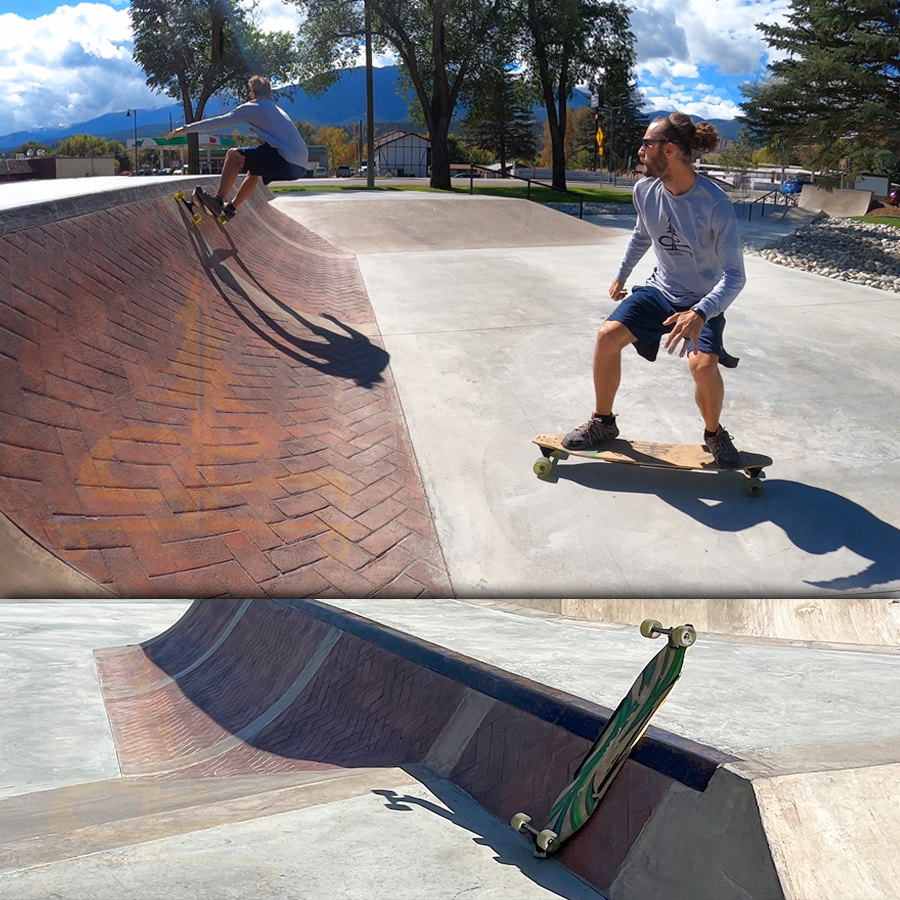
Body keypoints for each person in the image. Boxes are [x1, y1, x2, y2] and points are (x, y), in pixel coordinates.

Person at [562, 112, 747, 468]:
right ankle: (603, 422)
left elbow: (735, 275)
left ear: (671, 150)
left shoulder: (714, 202)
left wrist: (700, 312)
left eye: (648, 144)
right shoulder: (644, 190)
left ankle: (714, 435)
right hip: (659, 291)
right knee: (607, 337)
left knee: (704, 367)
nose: (640, 151)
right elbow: (642, 235)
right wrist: (621, 275)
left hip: (702, 302)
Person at [168, 75, 308, 220]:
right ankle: (230, 209)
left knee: (233, 155)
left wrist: (186, 129)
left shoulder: (254, 106)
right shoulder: (277, 109)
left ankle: (218, 200)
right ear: (270, 93)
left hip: (285, 158)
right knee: (254, 169)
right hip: (300, 165)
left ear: (252, 95)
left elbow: (220, 122)